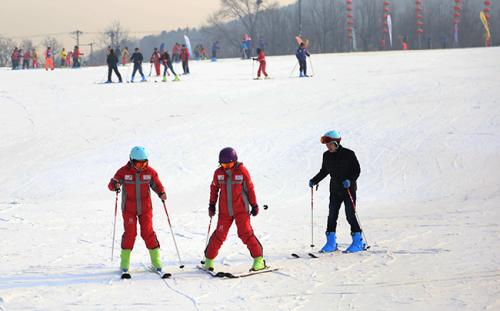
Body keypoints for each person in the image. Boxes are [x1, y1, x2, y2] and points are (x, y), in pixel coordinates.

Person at [203, 147, 266, 272]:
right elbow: (214, 189)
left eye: (229, 164)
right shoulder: (218, 173)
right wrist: (211, 205)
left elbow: (250, 188)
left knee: (245, 233)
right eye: (223, 164)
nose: (226, 166)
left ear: (235, 161)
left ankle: (259, 260)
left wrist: (254, 205)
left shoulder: (242, 171)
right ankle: (208, 260)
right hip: (225, 211)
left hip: (241, 210)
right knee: (219, 235)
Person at [108, 146, 167, 275]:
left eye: (144, 162)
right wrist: (115, 185)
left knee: (148, 233)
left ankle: (156, 263)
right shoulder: (123, 172)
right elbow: (113, 183)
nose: (141, 166)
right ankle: (124, 265)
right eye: (138, 163)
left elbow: (157, 184)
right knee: (130, 234)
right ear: (131, 160)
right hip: (128, 209)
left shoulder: (150, 172)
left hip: (145, 209)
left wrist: (161, 193)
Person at [309, 130, 365, 253]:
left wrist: (350, 180)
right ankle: (331, 242)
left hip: (348, 189)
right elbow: (324, 171)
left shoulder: (349, 154)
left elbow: (357, 170)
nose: (327, 146)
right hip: (335, 190)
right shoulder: (326, 155)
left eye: (329, 144)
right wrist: (314, 180)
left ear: (336, 143)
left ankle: (358, 242)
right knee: (332, 215)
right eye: (326, 144)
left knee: (350, 214)